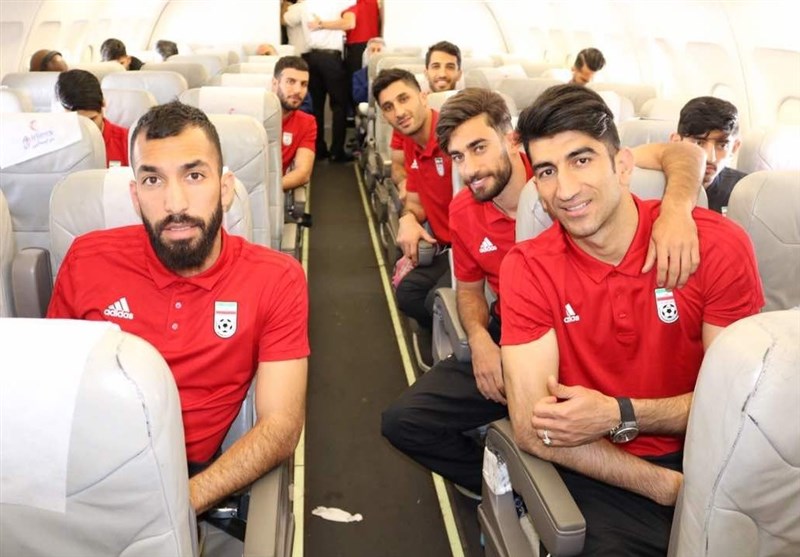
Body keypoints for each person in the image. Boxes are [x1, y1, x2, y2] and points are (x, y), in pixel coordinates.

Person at [382, 87, 709, 499]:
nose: (470, 169)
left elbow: (684, 154)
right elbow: (468, 290)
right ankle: (505, 486)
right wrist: (480, 340)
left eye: (479, 148)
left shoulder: (565, 170)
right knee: (404, 421)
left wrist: (676, 209)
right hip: (512, 330)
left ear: (511, 139)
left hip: (578, 326)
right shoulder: (465, 209)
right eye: (458, 158)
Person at [501, 84, 763, 555]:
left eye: (582, 160)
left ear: (623, 166)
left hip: (716, 455)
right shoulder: (528, 268)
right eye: (547, 171)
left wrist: (620, 412)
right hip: (602, 467)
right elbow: (532, 425)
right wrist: (664, 487)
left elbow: (738, 406)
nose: (565, 190)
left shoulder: (717, 246)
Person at [47, 102, 309, 526]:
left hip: (187, 479)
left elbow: (280, 426)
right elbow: (54, 392)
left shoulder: (276, 279)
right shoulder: (86, 258)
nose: (175, 203)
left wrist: (179, 503)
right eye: (153, 179)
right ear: (135, 196)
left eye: (194, 175)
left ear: (225, 188)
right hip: (83, 474)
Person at [373, 68, 453, 336]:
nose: (399, 112)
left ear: (423, 96)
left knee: (434, 302)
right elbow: (416, 202)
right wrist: (408, 218)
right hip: (446, 247)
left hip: (472, 251)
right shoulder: (411, 142)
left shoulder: (452, 138)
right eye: (388, 107)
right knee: (408, 293)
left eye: (404, 98)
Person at [390, 40, 463, 203]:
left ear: (459, 73)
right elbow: (397, 165)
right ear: (426, 72)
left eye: (450, 67)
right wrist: (404, 182)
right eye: (436, 66)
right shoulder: (409, 116)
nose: (442, 73)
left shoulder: (470, 112)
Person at [284, 0, 355, 162]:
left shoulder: (304, 6)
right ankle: (337, 151)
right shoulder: (336, 3)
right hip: (331, 58)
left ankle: (317, 149)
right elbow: (350, 22)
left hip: (311, 58)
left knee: (316, 106)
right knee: (339, 105)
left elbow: (286, 18)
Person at [670, 96, 745, 213]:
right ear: (676, 142)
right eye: (699, 143)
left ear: (734, 148)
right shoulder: (653, 184)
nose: (711, 158)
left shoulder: (745, 191)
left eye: (722, 145)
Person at [55, 69, 128, 167]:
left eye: (91, 120)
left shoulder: (127, 142)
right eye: (76, 121)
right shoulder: (53, 146)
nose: (84, 129)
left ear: (103, 103)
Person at [273, 56, 317, 191]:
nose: (298, 90)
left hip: (274, 192)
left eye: (303, 84)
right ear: (275, 84)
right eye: (290, 82)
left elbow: (303, 173)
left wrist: (268, 191)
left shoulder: (307, 123)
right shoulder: (253, 116)